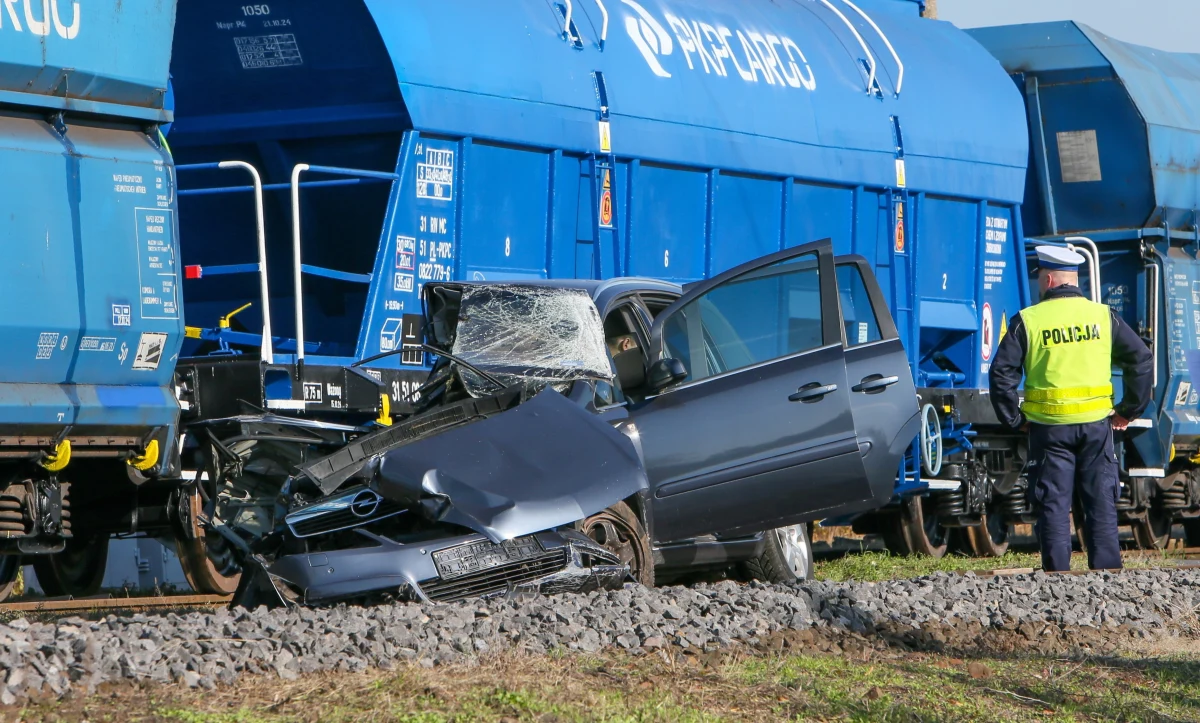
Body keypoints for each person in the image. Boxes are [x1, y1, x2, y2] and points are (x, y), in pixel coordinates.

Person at [989, 246, 1153, 572]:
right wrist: (1129, 410)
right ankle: (1107, 572)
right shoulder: (1103, 316)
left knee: (1052, 502)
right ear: (1073, 279)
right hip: (1096, 426)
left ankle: (1057, 577)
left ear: (1048, 279)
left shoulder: (1029, 320)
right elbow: (1141, 359)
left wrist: (1014, 419)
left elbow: (1001, 373)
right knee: (1100, 501)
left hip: (1048, 428)